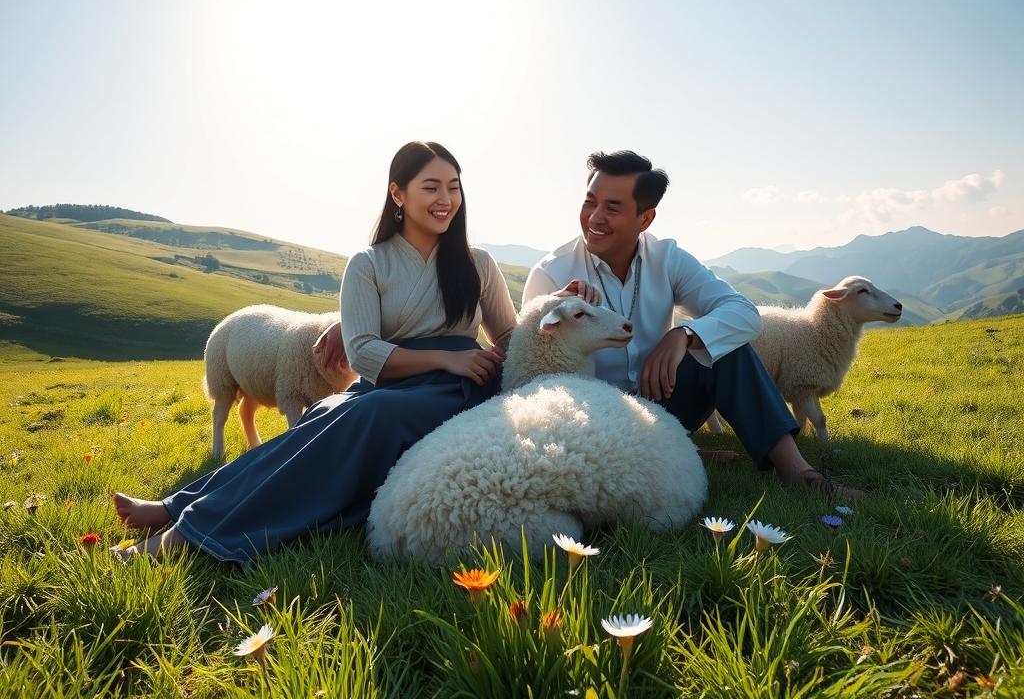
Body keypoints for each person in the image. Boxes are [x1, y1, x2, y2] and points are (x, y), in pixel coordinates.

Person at [111, 141, 518, 561]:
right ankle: (177, 506)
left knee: (366, 415)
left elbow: (508, 335)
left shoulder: (478, 263)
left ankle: (186, 534)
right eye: (431, 187)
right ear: (398, 194)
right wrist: (441, 357)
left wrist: (553, 319)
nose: (446, 200)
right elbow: (362, 353)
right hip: (393, 383)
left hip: (457, 388)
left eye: (453, 187)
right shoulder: (368, 264)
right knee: (321, 417)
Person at [521, 150, 862, 499]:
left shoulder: (667, 258)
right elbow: (530, 365)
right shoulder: (552, 273)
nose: (594, 217)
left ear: (645, 218)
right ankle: (685, 455)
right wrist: (554, 306)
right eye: (589, 202)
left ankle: (798, 473)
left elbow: (743, 312)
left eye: (612, 207)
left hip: (664, 400)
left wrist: (685, 334)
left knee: (728, 349)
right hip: (590, 417)